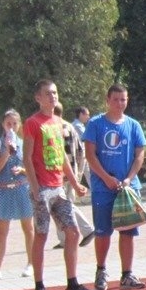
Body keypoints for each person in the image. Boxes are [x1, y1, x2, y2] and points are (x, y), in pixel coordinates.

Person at [22, 79, 100, 290]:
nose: (53, 97)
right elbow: (27, 157)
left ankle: (72, 283)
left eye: (55, 93)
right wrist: (35, 188)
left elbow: (62, 155)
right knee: (42, 234)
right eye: (48, 93)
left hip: (58, 187)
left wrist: (75, 183)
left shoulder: (58, 122)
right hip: (42, 188)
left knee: (73, 232)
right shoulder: (32, 123)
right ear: (38, 98)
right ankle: (39, 286)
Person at [83, 83, 146, 290]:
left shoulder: (133, 125)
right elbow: (90, 155)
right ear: (107, 100)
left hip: (128, 189)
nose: (120, 104)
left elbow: (139, 155)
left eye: (123, 100)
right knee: (103, 231)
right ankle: (101, 271)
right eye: (116, 99)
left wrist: (129, 178)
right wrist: (105, 177)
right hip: (103, 188)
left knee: (128, 231)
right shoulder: (95, 124)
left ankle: (127, 274)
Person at [0, 110, 35, 280]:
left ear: (20, 124)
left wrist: (22, 170)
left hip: (22, 188)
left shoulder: (25, 143)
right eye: (8, 124)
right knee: (2, 232)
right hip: (4, 190)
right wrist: (7, 151)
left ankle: (31, 264)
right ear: (3, 125)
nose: (12, 127)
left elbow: (32, 169)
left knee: (28, 228)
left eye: (15, 123)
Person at [52, 103, 95, 249]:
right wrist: (78, 173)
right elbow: (81, 152)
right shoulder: (70, 127)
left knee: (62, 205)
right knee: (60, 205)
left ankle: (86, 229)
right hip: (71, 172)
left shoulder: (57, 128)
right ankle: (64, 239)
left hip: (61, 174)